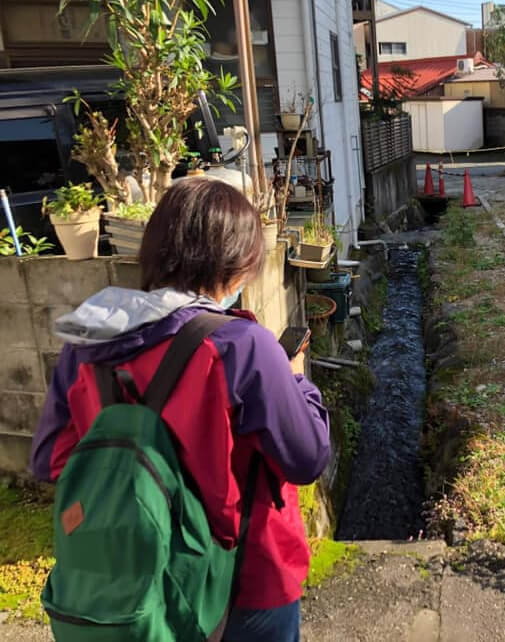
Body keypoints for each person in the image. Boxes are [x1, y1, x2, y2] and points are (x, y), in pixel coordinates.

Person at [31, 179, 331, 641]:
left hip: (134, 574)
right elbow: (307, 457)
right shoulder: (243, 347)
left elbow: (50, 459)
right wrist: (295, 378)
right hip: (245, 579)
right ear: (237, 264)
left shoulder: (88, 344)